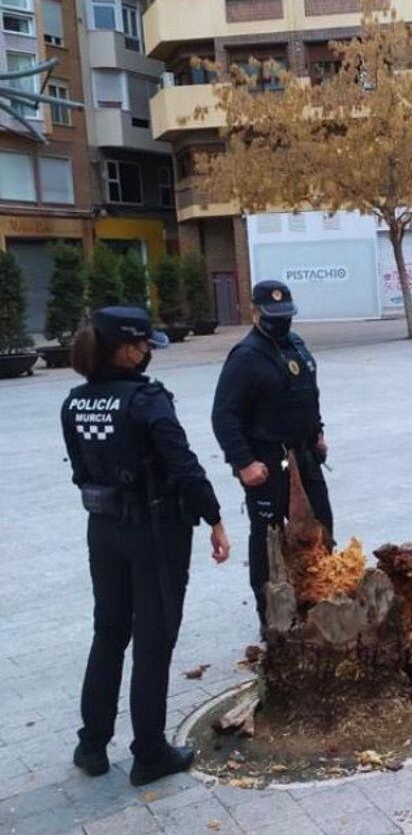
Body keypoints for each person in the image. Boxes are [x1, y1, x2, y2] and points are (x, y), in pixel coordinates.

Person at [62, 307, 230, 786]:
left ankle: (92, 745)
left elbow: (80, 470)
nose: (149, 352)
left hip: (104, 530)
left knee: (109, 633)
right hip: (154, 534)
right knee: (153, 643)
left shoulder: (74, 403)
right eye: (144, 344)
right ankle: (150, 754)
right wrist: (214, 516)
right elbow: (183, 463)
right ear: (126, 347)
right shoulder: (147, 400)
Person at [211, 281, 332, 634]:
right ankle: (272, 617)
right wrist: (243, 462)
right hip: (266, 461)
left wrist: (319, 431)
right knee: (268, 538)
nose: (281, 322)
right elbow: (224, 415)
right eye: (273, 316)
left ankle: (320, 600)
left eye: (287, 315)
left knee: (321, 525)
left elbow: (309, 393)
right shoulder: (246, 356)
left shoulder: (296, 346)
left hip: (305, 453)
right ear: (255, 313)